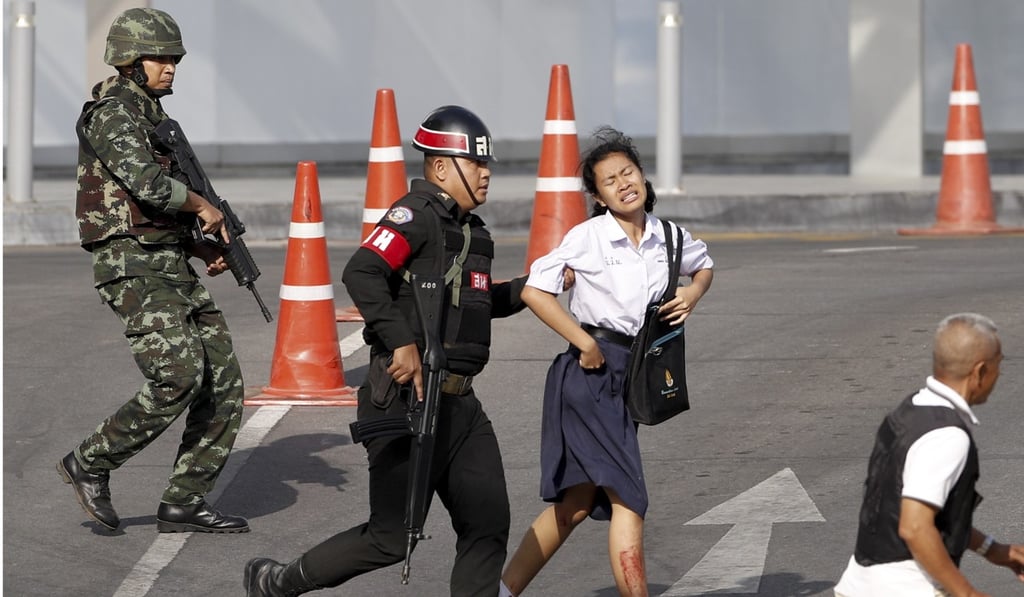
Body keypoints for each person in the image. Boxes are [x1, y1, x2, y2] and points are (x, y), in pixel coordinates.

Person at [243, 105, 529, 596]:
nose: (486, 174)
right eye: (476, 164)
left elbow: (483, 304)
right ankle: (280, 582)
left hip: (461, 405)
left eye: (489, 165)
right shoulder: (413, 216)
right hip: (406, 399)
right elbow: (361, 271)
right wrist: (401, 341)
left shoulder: (472, 232)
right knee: (392, 537)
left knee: (487, 525)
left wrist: (539, 287)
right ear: (440, 168)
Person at [56, 7, 249, 534]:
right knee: (180, 375)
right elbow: (147, 185)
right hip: (131, 265)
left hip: (166, 261)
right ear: (129, 60)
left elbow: (157, 208)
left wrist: (199, 244)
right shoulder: (113, 112)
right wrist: (201, 208)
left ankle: (185, 499)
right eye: (159, 56)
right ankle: (90, 461)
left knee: (224, 381)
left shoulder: (154, 117)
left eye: (174, 57)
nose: (170, 67)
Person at [500, 127, 714, 597]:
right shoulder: (588, 238)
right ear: (597, 196)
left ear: (642, 176)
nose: (623, 183)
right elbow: (536, 291)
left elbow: (704, 264)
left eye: (628, 172)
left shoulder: (669, 237)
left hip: (633, 373)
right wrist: (583, 341)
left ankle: (502, 591)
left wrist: (692, 292)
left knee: (576, 502)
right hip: (590, 373)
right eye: (609, 180)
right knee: (629, 497)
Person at [835, 313, 1024, 597]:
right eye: (999, 366)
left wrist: (993, 550)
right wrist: (968, 594)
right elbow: (915, 526)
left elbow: (931, 515)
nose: (998, 375)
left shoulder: (911, 410)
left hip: (859, 585)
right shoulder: (947, 436)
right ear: (980, 371)